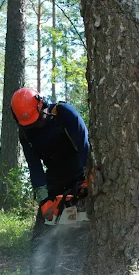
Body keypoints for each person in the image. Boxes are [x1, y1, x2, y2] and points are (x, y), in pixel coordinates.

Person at [10, 88, 90, 231]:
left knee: (84, 220)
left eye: (38, 120)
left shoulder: (64, 113)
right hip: (54, 177)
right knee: (43, 228)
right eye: (31, 125)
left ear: (42, 104)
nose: (36, 126)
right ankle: (40, 245)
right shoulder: (25, 133)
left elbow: (84, 144)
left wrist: (88, 176)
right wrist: (44, 199)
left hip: (80, 170)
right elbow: (34, 166)